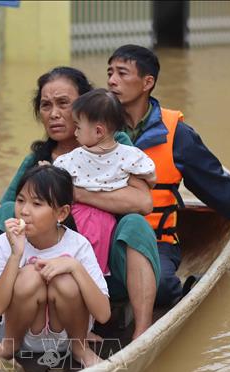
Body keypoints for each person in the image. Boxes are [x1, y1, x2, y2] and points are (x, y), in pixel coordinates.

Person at [0, 66, 160, 347]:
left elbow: (143, 201)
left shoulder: (112, 144)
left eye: (64, 103)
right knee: (7, 210)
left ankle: (142, 332)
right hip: (43, 271)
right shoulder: (40, 159)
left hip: (107, 273)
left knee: (136, 226)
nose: (54, 113)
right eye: (46, 105)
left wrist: (74, 194)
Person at [105, 44, 230, 305]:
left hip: (156, 240)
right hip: (105, 235)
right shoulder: (98, 126)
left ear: (147, 82)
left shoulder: (177, 134)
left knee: (160, 289)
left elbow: (216, 186)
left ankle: (184, 289)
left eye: (122, 74)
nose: (112, 80)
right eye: (110, 73)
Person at [0, 165, 111, 368]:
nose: (24, 211)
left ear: (61, 213)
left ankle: (80, 349)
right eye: (20, 201)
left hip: (67, 338)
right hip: (23, 336)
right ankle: (8, 346)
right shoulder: (5, 243)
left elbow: (103, 314)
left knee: (65, 279)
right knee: (30, 276)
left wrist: (74, 266)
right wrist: (16, 255)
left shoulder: (77, 245)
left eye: (37, 204)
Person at [53, 88, 156, 274]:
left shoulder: (72, 159)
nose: (75, 133)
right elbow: (151, 178)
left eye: (78, 127)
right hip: (109, 224)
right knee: (93, 272)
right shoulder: (131, 157)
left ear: (98, 131)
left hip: (76, 220)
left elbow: (57, 181)